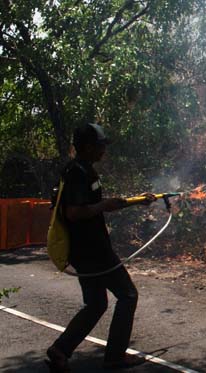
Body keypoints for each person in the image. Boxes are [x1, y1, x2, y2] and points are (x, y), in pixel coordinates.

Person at [46, 123, 156, 372]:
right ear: (86, 147)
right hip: (92, 251)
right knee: (128, 295)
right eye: (100, 145)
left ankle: (60, 350)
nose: (103, 150)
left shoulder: (83, 170)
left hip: (86, 250)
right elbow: (74, 212)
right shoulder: (77, 173)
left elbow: (96, 204)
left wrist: (135, 201)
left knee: (96, 304)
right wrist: (104, 206)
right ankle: (115, 356)